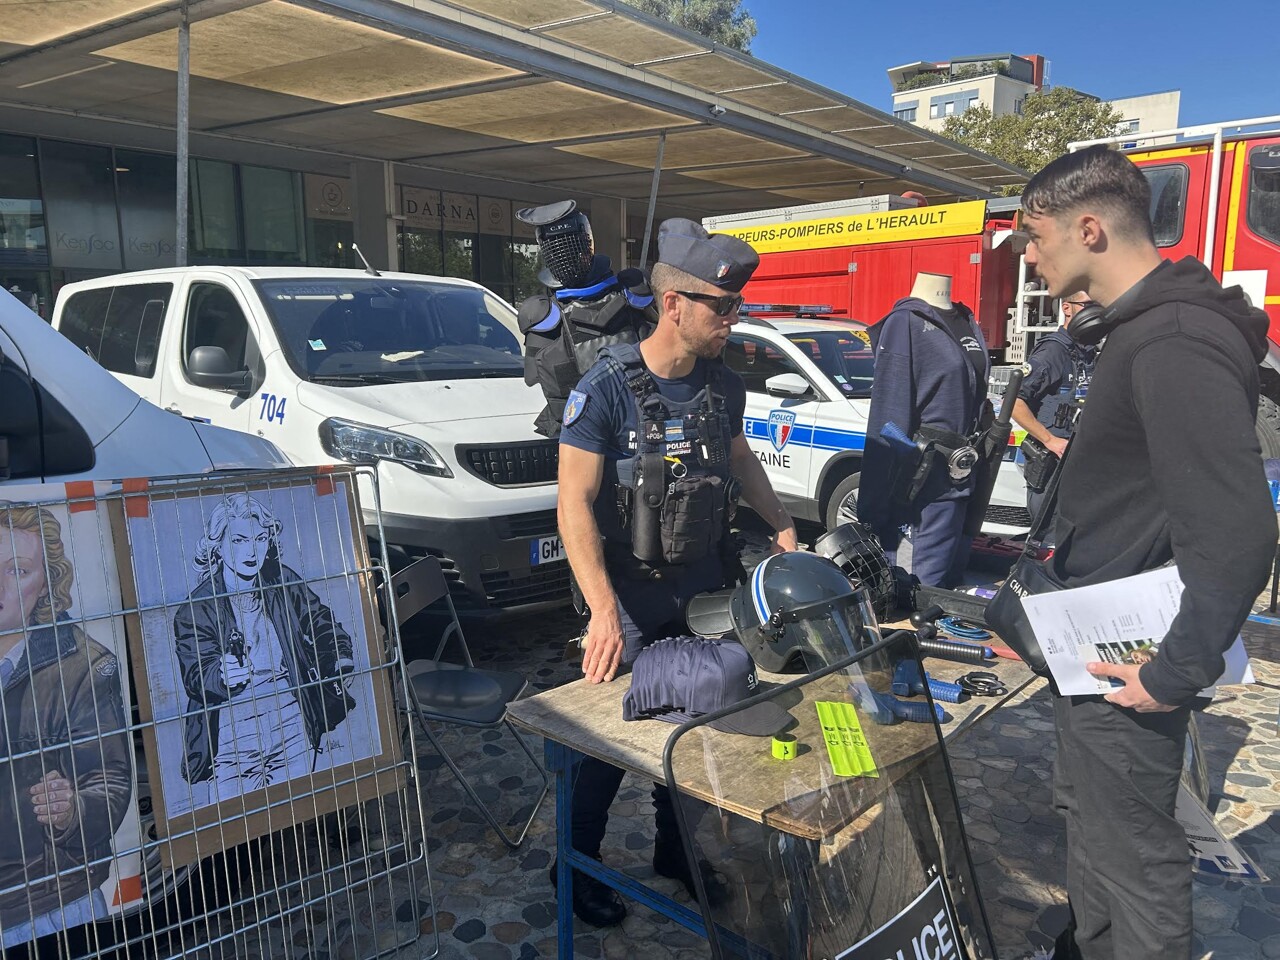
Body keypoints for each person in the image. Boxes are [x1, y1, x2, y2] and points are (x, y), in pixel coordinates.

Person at [1020, 145, 1275, 960]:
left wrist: (1172, 672)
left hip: (1131, 657)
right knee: (1089, 822)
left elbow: (1239, 530)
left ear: (1087, 228)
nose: (1027, 256)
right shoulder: (1143, 330)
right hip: (1090, 643)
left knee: (1135, 857)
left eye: (1034, 235)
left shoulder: (1172, 339)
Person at [556, 218, 798, 926]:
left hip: (703, 587)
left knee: (699, 723)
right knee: (605, 741)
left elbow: (742, 457)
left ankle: (674, 851)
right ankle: (574, 866)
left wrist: (781, 523)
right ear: (673, 304)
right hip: (627, 596)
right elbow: (573, 502)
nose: (733, 319)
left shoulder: (725, 386)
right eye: (721, 307)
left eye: (736, 306)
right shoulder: (605, 389)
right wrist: (602, 611)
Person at [0, 503, 133, 946]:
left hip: (44, 904)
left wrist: (72, 809)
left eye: (17, 571)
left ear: (46, 585)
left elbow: (111, 780)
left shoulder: (82, 668)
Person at [174, 493, 357, 796]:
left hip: (290, 713)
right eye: (239, 540)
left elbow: (321, 620)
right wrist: (221, 676)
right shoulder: (196, 608)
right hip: (232, 725)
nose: (251, 550)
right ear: (216, 546)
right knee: (236, 820)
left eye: (260, 538)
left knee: (298, 802)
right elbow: (196, 674)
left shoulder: (283, 581)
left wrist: (338, 656)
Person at [859, 271, 991, 588]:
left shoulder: (965, 320)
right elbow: (888, 415)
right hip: (921, 490)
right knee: (919, 593)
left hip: (962, 482)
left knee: (949, 590)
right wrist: (873, 508)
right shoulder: (905, 322)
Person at [516, 200, 657, 439]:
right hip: (621, 427)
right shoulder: (634, 294)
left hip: (613, 428)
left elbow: (533, 378)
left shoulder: (542, 314)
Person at [1010, 293, 1098, 520]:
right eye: (1087, 305)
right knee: (1048, 537)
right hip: (1052, 464)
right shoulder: (1053, 351)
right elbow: (1014, 402)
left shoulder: (1088, 352)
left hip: (1079, 461)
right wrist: (1050, 440)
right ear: (1067, 308)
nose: (1094, 311)